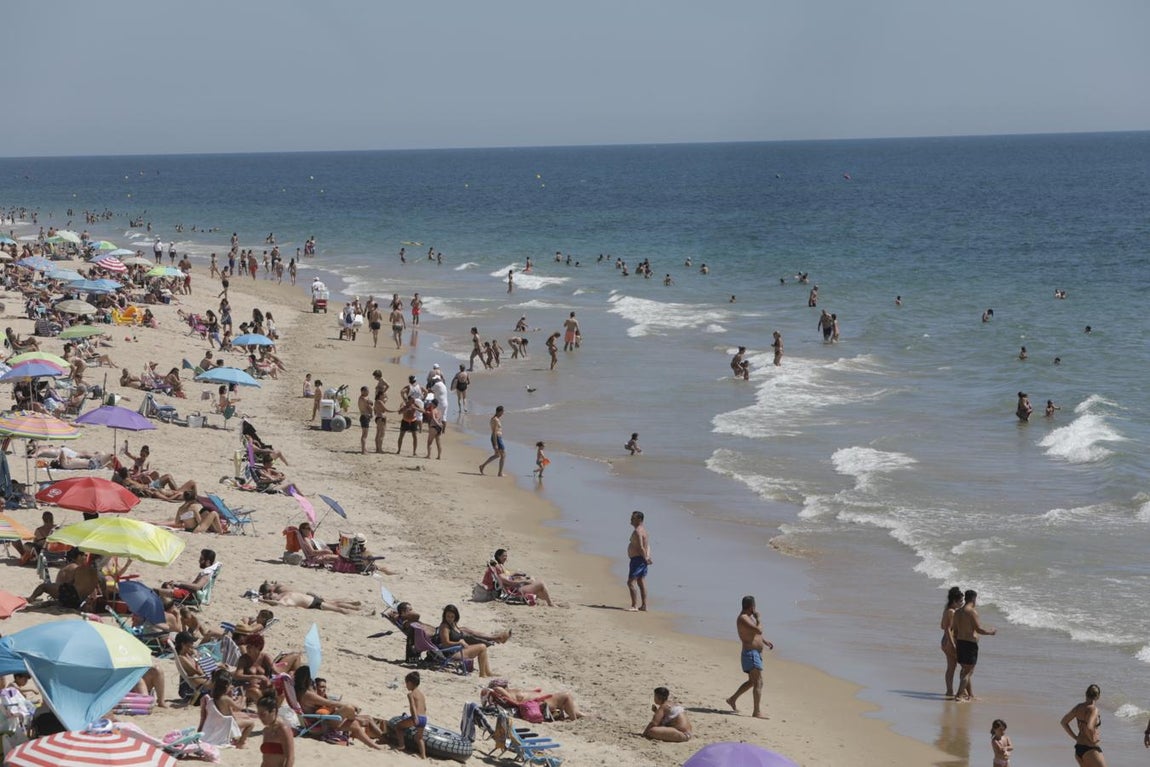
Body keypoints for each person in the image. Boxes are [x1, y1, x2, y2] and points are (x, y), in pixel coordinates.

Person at [726, 595, 773, 718]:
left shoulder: (748, 618)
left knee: (753, 681)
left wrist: (764, 641)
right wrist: (759, 619)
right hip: (750, 654)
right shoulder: (743, 618)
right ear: (752, 607)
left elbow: (754, 634)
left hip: (754, 653)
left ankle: (732, 699)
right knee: (758, 682)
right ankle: (756, 712)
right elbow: (758, 630)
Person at [952, 589, 996, 702]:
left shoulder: (957, 612)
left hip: (960, 643)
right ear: (973, 599)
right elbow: (979, 629)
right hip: (970, 644)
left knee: (965, 670)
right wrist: (991, 632)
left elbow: (955, 631)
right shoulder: (972, 612)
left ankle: (970, 695)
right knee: (968, 672)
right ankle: (959, 695)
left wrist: (956, 644)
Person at [200, 671, 256, 747]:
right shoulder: (225, 699)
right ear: (226, 686)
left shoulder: (214, 698)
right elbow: (239, 708)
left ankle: (236, 738)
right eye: (230, 685)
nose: (231, 686)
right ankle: (241, 742)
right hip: (226, 726)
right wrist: (243, 698)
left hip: (218, 725)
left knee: (241, 717)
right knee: (251, 723)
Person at [438, 605, 495, 677]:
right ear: (444, 616)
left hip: (459, 650)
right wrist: (459, 642)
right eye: (448, 616)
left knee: (483, 647)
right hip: (451, 653)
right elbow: (446, 643)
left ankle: (487, 672)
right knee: (482, 647)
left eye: (452, 616)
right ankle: (482, 674)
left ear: (456, 616)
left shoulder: (453, 624)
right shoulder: (444, 626)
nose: (450, 618)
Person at [1061, 684, 1105, 766]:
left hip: (1079, 749)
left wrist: (1075, 737)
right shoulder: (1094, 709)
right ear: (1098, 696)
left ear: (1086, 693)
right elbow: (1089, 727)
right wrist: (1093, 738)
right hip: (1090, 749)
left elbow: (1063, 722)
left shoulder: (1078, 707)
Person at [257, 581, 363, 614]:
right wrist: (262, 600)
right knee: (337, 607)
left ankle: (356, 607)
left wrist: (262, 598)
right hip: (313, 603)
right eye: (271, 595)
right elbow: (277, 604)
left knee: (335, 603)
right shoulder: (282, 600)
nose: (273, 594)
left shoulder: (280, 593)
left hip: (310, 598)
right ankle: (358, 612)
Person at [388, 671, 427, 758]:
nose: (406, 686)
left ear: (410, 683)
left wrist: (414, 717)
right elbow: (424, 708)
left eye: (406, 683)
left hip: (416, 717)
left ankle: (401, 746)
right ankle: (423, 756)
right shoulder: (421, 694)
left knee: (399, 727)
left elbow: (412, 707)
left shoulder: (410, 694)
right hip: (424, 718)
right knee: (419, 738)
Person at [256, 693, 293, 767]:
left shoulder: (283, 730)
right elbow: (266, 759)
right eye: (258, 714)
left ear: (273, 711)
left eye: (263, 714)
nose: (260, 718)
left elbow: (290, 758)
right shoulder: (266, 730)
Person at [940, 586, 963, 699]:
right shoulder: (952, 612)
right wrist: (953, 644)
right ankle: (963, 692)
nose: (962, 603)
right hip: (949, 641)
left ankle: (949, 691)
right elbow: (947, 629)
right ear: (954, 601)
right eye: (960, 601)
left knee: (951, 667)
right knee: (964, 667)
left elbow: (941, 626)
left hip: (944, 641)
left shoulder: (947, 609)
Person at [626, 510, 652, 612]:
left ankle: (634, 606)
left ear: (639, 519)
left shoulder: (638, 531)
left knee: (631, 582)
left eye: (633, 518)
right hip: (641, 559)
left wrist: (645, 557)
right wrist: (648, 556)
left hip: (637, 560)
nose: (631, 520)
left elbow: (642, 547)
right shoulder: (644, 530)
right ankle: (644, 605)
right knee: (641, 581)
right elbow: (648, 546)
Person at [479, 406, 506, 476]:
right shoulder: (495, 420)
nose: (503, 413)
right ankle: (500, 473)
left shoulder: (495, 419)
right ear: (499, 412)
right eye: (502, 412)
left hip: (497, 437)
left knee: (497, 455)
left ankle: (482, 466)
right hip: (496, 438)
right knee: (503, 455)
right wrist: (496, 444)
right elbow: (494, 432)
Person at [357, 386, 372, 454]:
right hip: (364, 416)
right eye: (367, 391)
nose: (368, 392)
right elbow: (369, 406)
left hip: (365, 416)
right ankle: (363, 450)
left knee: (365, 434)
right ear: (363, 391)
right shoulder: (363, 399)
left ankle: (364, 449)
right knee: (364, 435)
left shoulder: (363, 398)